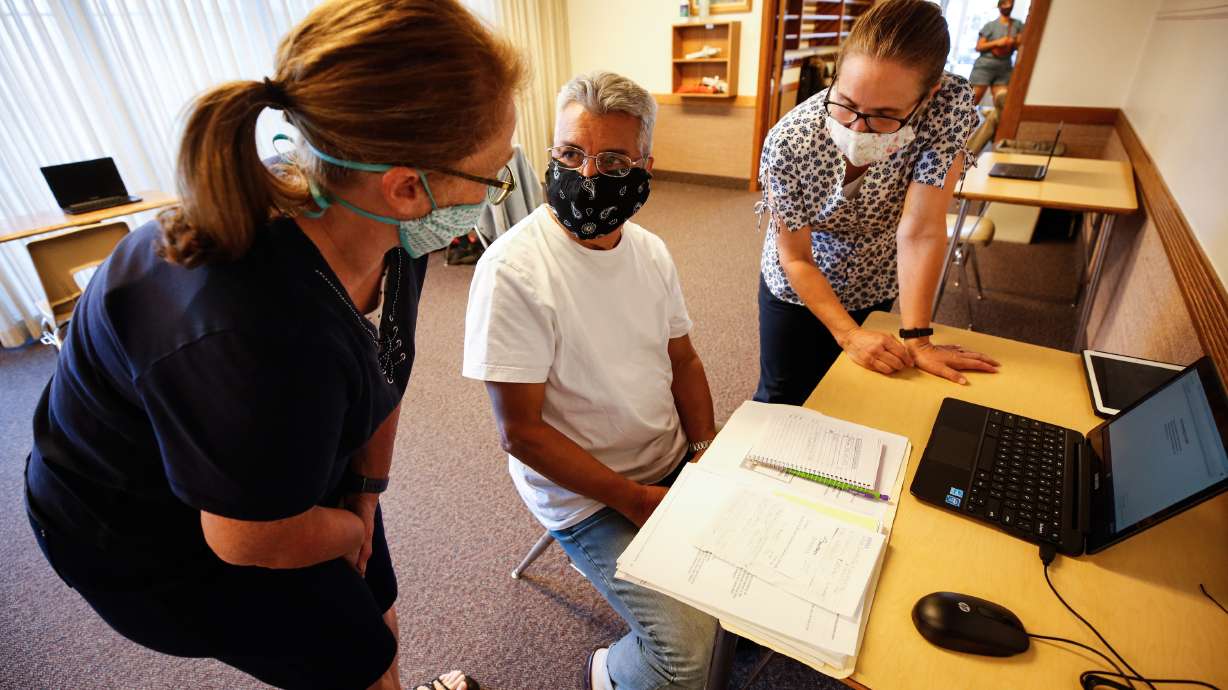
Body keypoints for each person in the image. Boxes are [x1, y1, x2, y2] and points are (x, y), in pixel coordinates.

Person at [23, 1, 522, 688]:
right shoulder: (257, 336)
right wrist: (348, 530)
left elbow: (385, 372)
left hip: (275, 477)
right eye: (495, 172)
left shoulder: (387, 229)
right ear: (409, 187)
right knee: (350, 659)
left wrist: (366, 495)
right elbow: (249, 539)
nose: (496, 190)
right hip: (152, 533)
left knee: (372, 618)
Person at [462, 71, 719, 690]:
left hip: (668, 461)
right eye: (570, 154)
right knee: (687, 661)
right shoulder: (513, 271)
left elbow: (683, 360)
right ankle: (607, 670)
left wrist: (706, 453)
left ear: (645, 166)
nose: (586, 175)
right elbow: (521, 435)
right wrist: (633, 500)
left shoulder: (650, 252)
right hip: (588, 494)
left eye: (610, 160)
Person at [754, 0, 1001, 407]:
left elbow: (921, 229)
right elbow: (795, 257)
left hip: (875, 273)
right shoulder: (789, 141)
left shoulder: (947, 108)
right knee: (784, 394)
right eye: (846, 104)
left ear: (927, 97)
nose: (857, 128)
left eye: (885, 115)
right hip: (798, 283)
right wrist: (848, 333)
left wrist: (918, 338)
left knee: (854, 395)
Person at [970, 0, 1026, 106]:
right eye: (1005, 3)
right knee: (973, 100)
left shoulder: (1017, 24)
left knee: (1002, 103)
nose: (1008, 6)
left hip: (1004, 67)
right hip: (985, 66)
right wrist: (997, 43)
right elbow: (979, 47)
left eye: (1010, 3)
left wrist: (1014, 42)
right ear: (1000, 6)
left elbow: (1020, 44)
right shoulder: (990, 26)